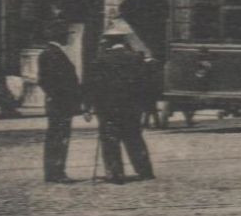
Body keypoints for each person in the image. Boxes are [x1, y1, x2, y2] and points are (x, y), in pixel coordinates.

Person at [88, 28, 155, 184]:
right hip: (131, 108)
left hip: (108, 108)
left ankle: (115, 174)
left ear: (108, 43)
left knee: (110, 140)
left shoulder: (101, 60)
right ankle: (145, 171)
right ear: (123, 41)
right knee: (134, 139)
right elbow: (144, 84)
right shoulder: (135, 58)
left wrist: (92, 106)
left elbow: (95, 86)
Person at [38, 27, 82, 184]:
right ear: (60, 35)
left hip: (58, 103)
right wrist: (62, 97)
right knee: (59, 137)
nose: (67, 38)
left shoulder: (51, 53)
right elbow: (47, 81)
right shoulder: (52, 54)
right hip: (60, 104)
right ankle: (56, 172)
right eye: (66, 34)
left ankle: (54, 172)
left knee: (56, 137)